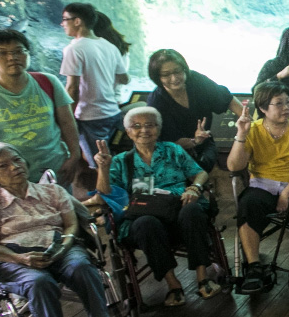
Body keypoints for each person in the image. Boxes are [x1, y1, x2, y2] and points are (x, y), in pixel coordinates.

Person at [91, 107, 220, 305]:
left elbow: (199, 173)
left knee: (193, 210)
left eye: (150, 125)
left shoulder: (172, 150)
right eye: (136, 126)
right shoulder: (121, 160)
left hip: (179, 210)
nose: (144, 130)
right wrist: (103, 168)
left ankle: (203, 277)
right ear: (128, 132)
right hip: (146, 217)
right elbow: (105, 194)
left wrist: (194, 187)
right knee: (145, 223)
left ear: (158, 129)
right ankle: (173, 285)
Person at [0, 141, 108, 317]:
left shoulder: (53, 191)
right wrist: (21, 258)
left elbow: (71, 224)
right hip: (14, 257)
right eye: (3, 166)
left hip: (60, 245)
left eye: (17, 160)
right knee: (39, 282)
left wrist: (64, 247)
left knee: (82, 268)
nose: (14, 167)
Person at [0, 29, 84, 200]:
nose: (12, 58)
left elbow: (67, 122)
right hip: (12, 177)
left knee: (64, 214)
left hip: (56, 168)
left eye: (18, 51)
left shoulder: (48, 81)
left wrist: (74, 156)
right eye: (2, 53)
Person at [227, 81, 289, 292]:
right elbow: (234, 166)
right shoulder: (253, 130)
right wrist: (241, 135)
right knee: (247, 203)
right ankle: (253, 268)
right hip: (262, 184)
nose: (286, 107)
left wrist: (286, 193)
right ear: (262, 108)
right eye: (279, 103)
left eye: (288, 102)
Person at [146, 49, 244, 172]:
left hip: (204, 143)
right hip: (172, 150)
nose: (174, 78)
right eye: (166, 75)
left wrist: (248, 121)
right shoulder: (156, 103)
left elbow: (227, 99)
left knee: (202, 164)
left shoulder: (196, 80)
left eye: (177, 71)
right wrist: (194, 141)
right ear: (157, 77)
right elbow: (163, 143)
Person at [59, 3, 129, 170]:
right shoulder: (109, 46)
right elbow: (124, 78)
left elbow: (72, 88)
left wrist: (67, 119)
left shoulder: (74, 49)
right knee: (111, 161)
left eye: (65, 19)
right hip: (113, 114)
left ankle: (106, 195)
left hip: (90, 117)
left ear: (77, 21)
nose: (62, 24)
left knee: (99, 167)